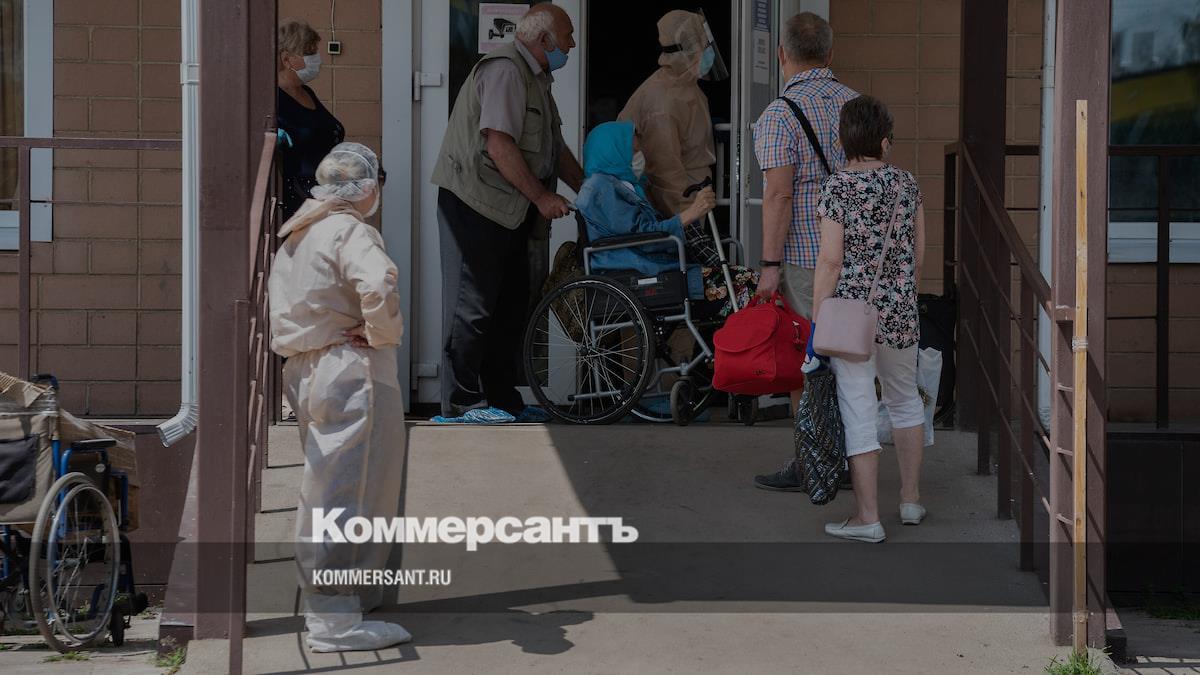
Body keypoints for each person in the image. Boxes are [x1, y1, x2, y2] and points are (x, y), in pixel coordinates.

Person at [267, 143, 411, 651]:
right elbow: (379, 283)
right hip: (350, 371)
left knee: (329, 486)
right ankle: (335, 620)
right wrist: (381, 333)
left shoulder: (298, 234)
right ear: (366, 187)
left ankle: (348, 599)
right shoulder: (350, 231)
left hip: (306, 369)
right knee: (350, 492)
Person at [431, 4, 584, 424]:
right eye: (568, 35)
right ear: (544, 40)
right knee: (472, 306)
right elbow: (499, 146)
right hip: (476, 203)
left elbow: (554, 147)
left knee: (510, 306)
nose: (572, 45)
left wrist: (587, 189)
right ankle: (461, 403)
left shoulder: (538, 78)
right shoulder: (506, 71)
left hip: (511, 209)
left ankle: (502, 399)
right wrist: (542, 197)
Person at [812, 96, 927, 543]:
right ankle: (911, 500)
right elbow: (919, 255)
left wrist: (819, 318)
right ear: (883, 141)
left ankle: (867, 517)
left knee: (859, 406)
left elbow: (830, 261)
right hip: (900, 312)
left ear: (843, 142)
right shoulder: (907, 184)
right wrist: (901, 295)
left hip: (850, 317)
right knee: (905, 399)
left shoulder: (836, 187)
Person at [751, 12, 858, 491]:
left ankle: (812, 462)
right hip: (858, 256)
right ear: (830, 54)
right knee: (853, 361)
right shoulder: (858, 106)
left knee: (808, 361)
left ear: (782, 55)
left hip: (805, 258)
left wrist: (769, 266)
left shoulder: (778, 115)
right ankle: (855, 460)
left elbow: (779, 195)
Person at [575, 120, 754, 315]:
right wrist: (691, 213)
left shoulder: (624, 186)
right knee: (748, 282)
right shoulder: (599, 189)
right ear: (613, 152)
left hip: (655, 270)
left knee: (747, 281)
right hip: (644, 275)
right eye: (633, 152)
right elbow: (644, 238)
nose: (639, 156)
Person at [618, 9, 726, 219]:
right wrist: (686, 218)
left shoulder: (687, 85)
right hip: (679, 206)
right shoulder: (662, 101)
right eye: (704, 47)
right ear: (687, 52)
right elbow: (665, 174)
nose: (709, 53)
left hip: (694, 196)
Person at [276, 18, 346, 221]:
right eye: (309, 52)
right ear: (287, 60)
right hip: (300, 203)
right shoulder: (274, 100)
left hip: (325, 196)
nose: (316, 58)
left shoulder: (306, 92)